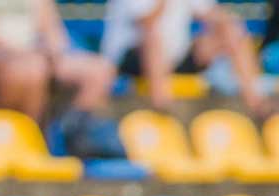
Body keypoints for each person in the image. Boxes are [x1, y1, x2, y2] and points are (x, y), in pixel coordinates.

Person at [100, 0, 271, 119]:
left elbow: (209, 13)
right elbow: (147, 21)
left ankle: (256, 103)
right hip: (130, 59)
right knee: (153, 38)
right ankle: (162, 106)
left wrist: (229, 22)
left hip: (175, 57)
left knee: (232, 32)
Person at [0, 0, 115, 121]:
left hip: (37, 55)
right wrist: (25, 54)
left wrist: (53, 53)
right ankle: (29, 134)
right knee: (32, 69)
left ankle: (76, 132)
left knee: (100, 70)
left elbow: (54, 33)